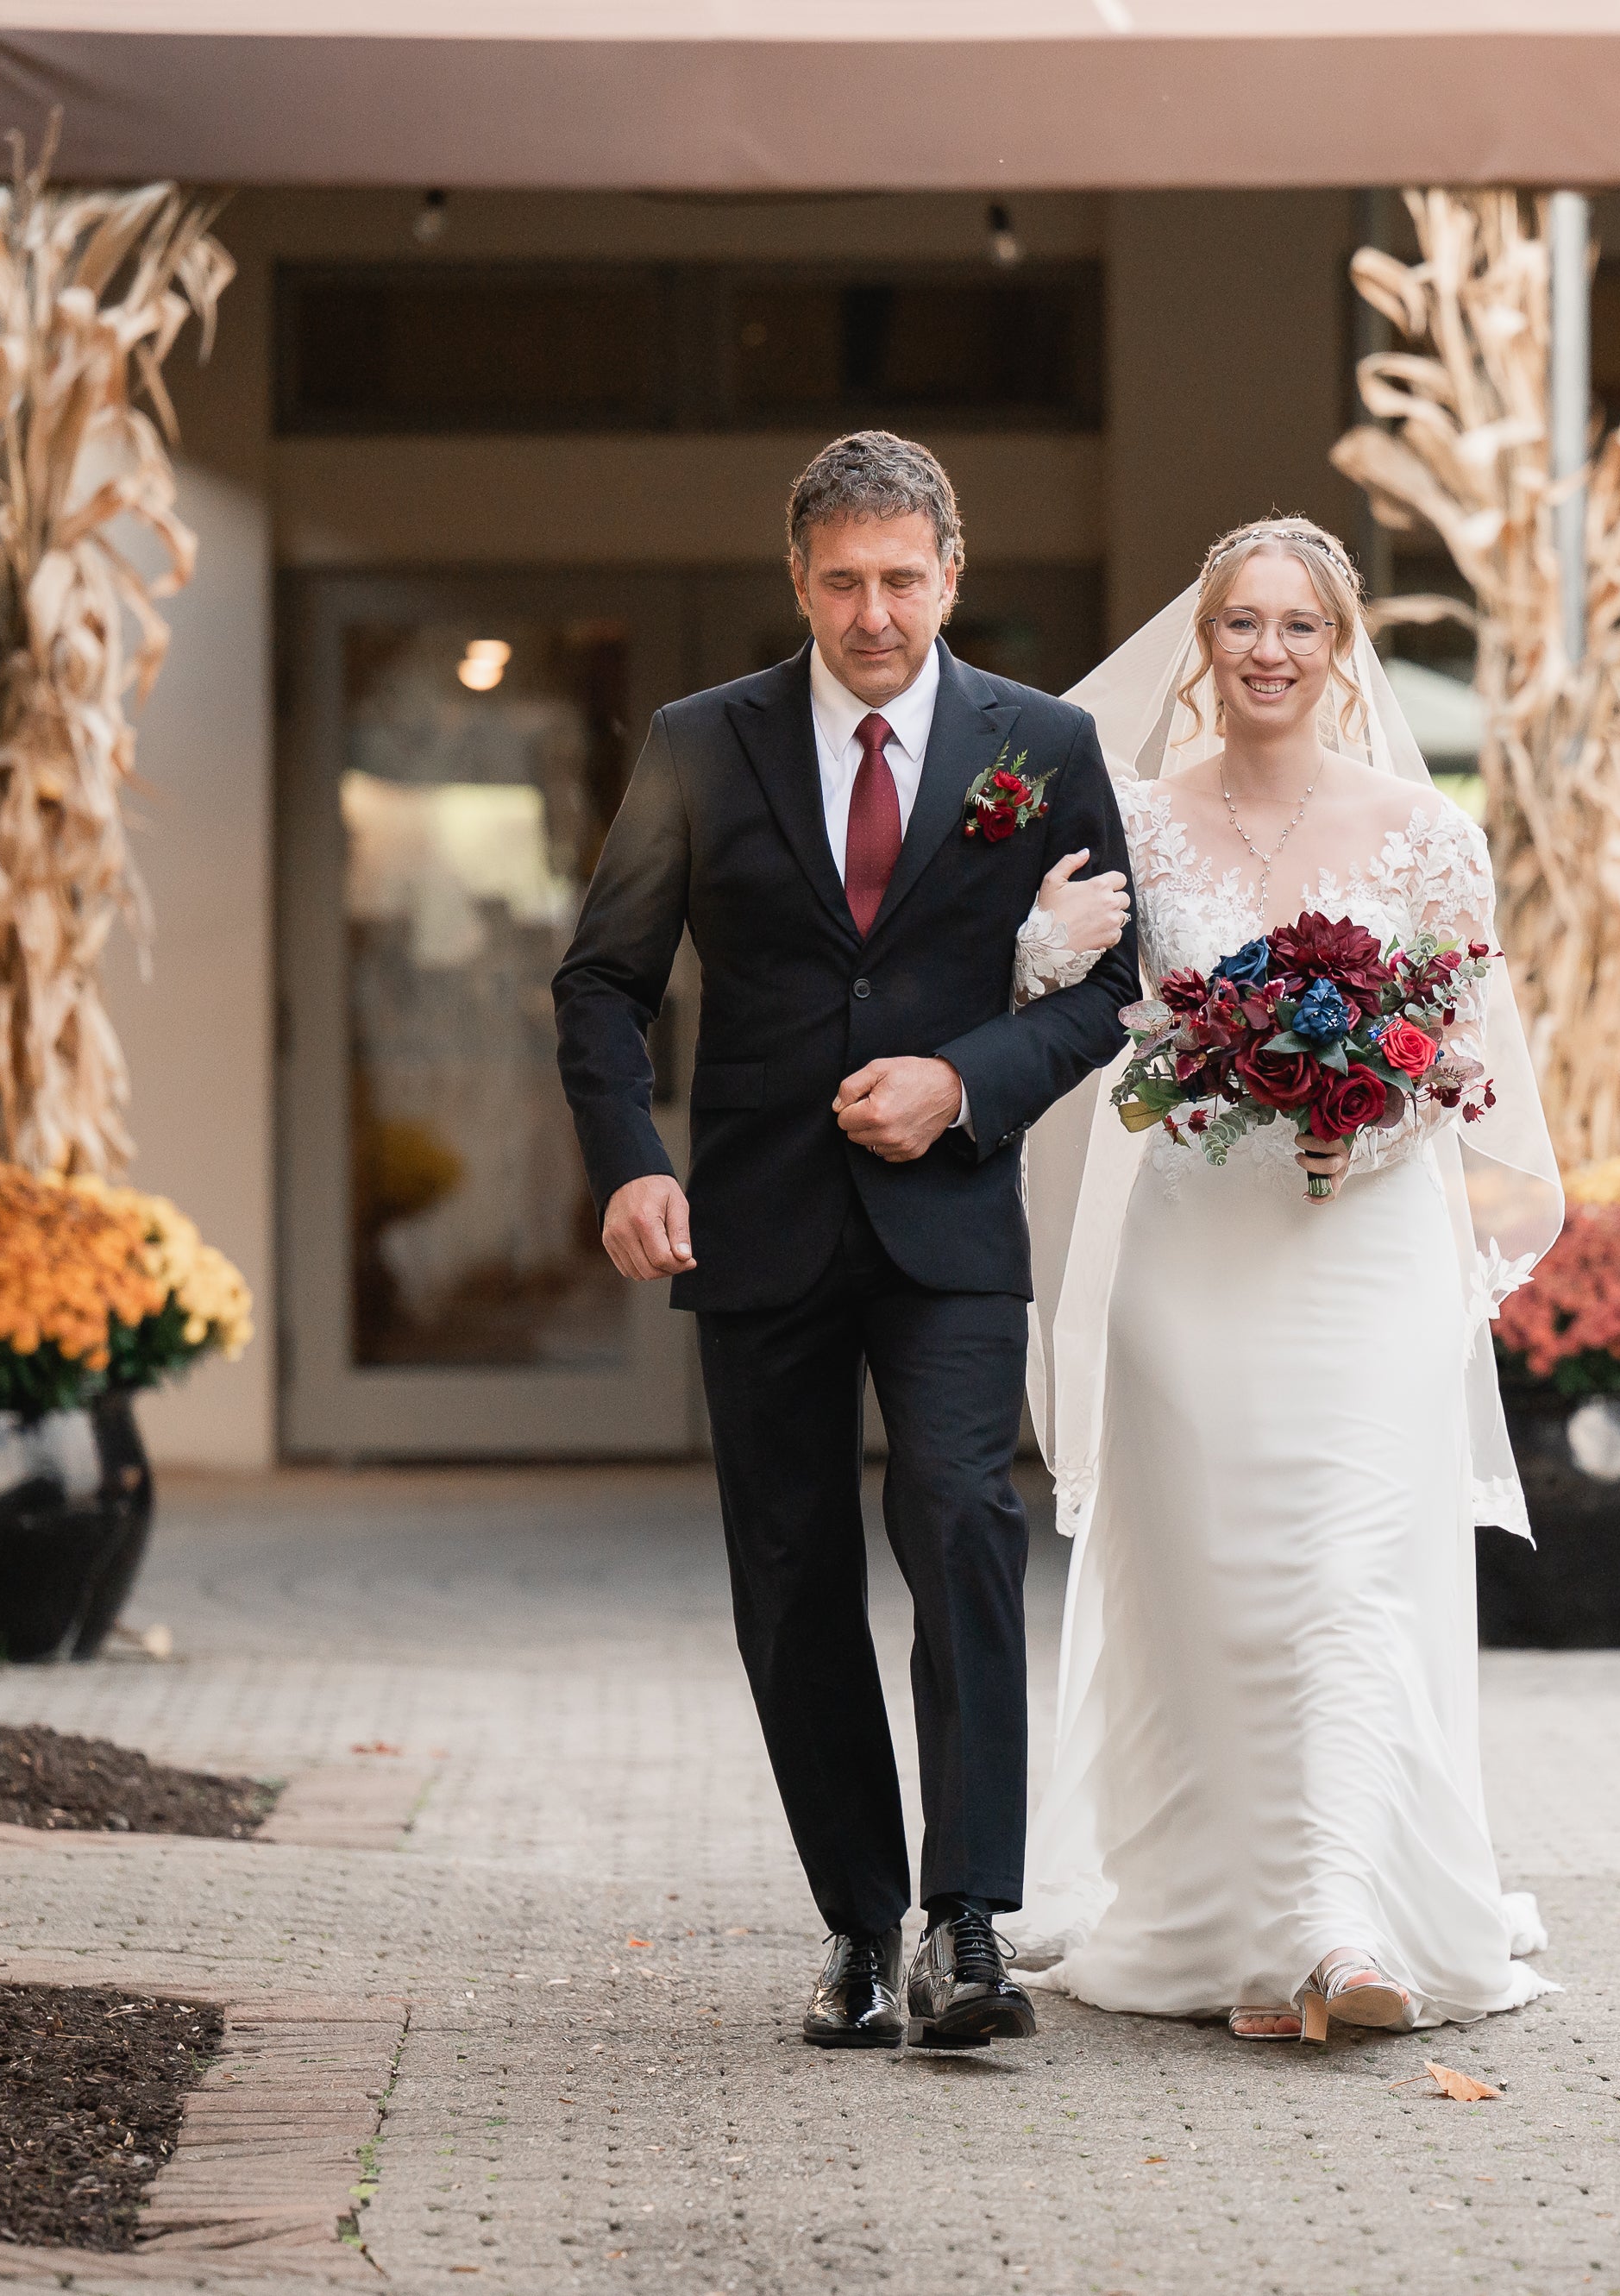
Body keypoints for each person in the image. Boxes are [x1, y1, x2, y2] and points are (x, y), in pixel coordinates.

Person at [550, 431, 1140, 2051]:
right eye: (842, 582)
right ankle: (859, 1930)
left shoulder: (1045, 744)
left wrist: (964, 1079)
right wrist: (628, 1163)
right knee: (793, 1572)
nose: (873, 612)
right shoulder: (699, 742)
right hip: (758, 1221)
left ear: (952, 575)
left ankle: (968, 1923)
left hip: (950, 1218)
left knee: (960, 1521)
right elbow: (604, 980)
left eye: (902, 579)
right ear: (796, 582)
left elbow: (1110, 987)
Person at [998, 516, 1566, 2041]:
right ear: (1203, 642)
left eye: (1298, 626)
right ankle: (1245, 1921)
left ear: (1341, 645)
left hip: (1365, 1253)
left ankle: (1340, 1922)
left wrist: (1365, 1120)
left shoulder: (1425, 832)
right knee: (1219, 1584)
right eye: (1240, 622)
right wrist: (1043, 953)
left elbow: (1465, 1057)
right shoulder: (1134, 820)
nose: (1267, 650)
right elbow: (1077, 1019)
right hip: (1188, 1264)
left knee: (1349, 1575)